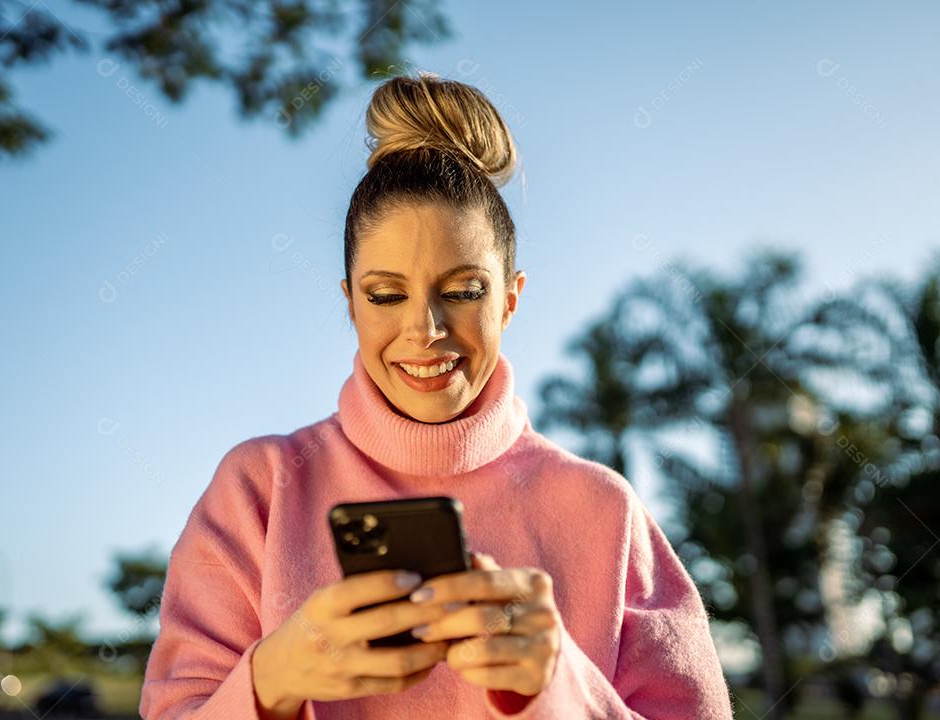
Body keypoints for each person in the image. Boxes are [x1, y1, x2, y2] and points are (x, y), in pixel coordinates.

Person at [138, 71, 734, 719]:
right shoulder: (259, 488)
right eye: (386, 294)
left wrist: (557, 682)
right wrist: (273, 678)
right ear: (352, 303)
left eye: (463, 291)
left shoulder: (604, 512)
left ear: (510, 300)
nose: (425, 330)